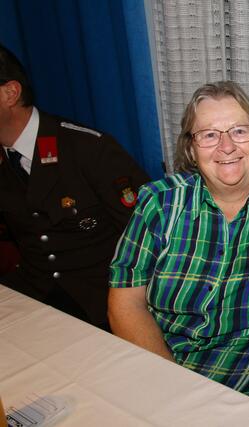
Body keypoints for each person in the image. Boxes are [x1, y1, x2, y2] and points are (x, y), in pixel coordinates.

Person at [107, 81, 249, 405]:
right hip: (162, 376)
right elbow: (125, 304)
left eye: (239, 131)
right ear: (191, 149)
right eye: (208, 135)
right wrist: (174, 389)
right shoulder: (159, 204)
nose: (226, 147)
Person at [0, 44, 149, 329]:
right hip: (33, 296)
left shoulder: (88, 149)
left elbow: (149, 237)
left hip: (99, 303)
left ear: (10, 93)